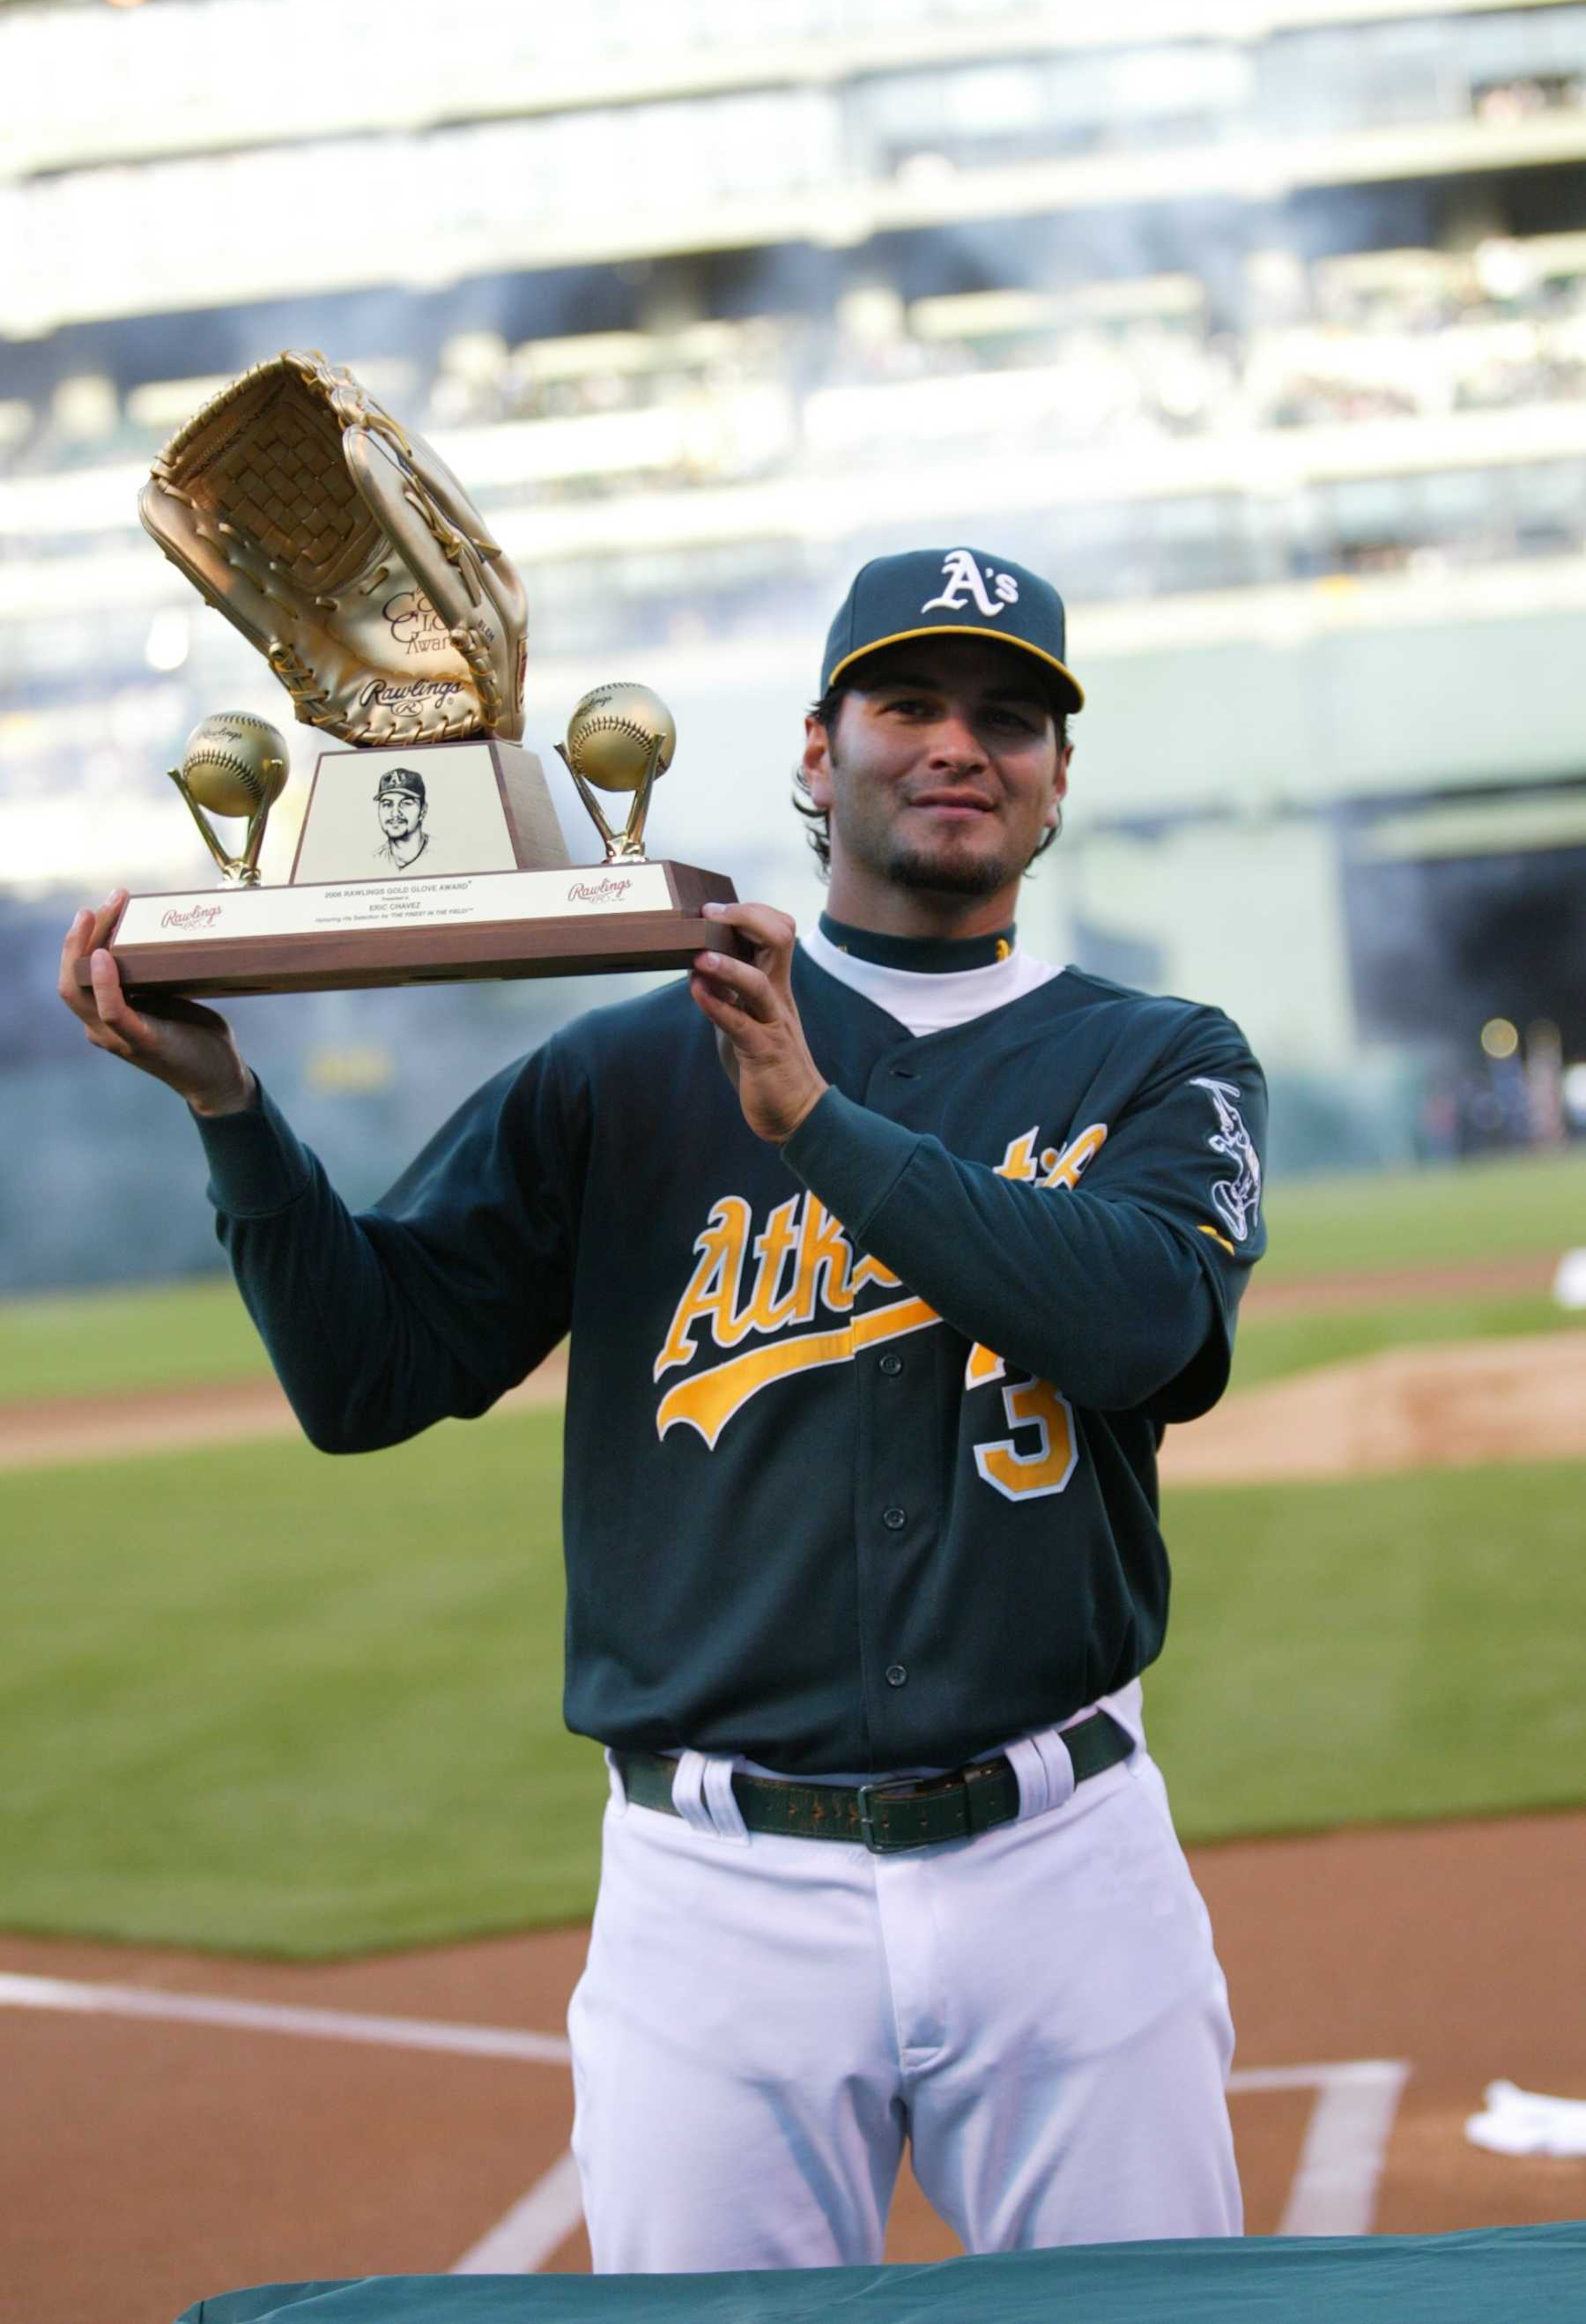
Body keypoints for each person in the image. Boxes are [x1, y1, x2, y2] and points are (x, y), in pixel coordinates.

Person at [59, 546, 1265, 2274]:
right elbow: (368, 1373)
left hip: (1064, 1859)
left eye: (1010, 717)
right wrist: (232, 1110)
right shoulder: (628, 1065)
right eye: (907, 700)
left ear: (1058, 777)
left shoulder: (1164, 1058)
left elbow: (1147, 1320)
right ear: (811, 749)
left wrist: (816, 1122)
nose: (957, 744)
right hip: (720, 1894)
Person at [372, 765, 431, 872]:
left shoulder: (444, 855)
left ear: (423, 810)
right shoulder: (373, 860)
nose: (395, 813)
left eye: (406, 803)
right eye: (387, 804)